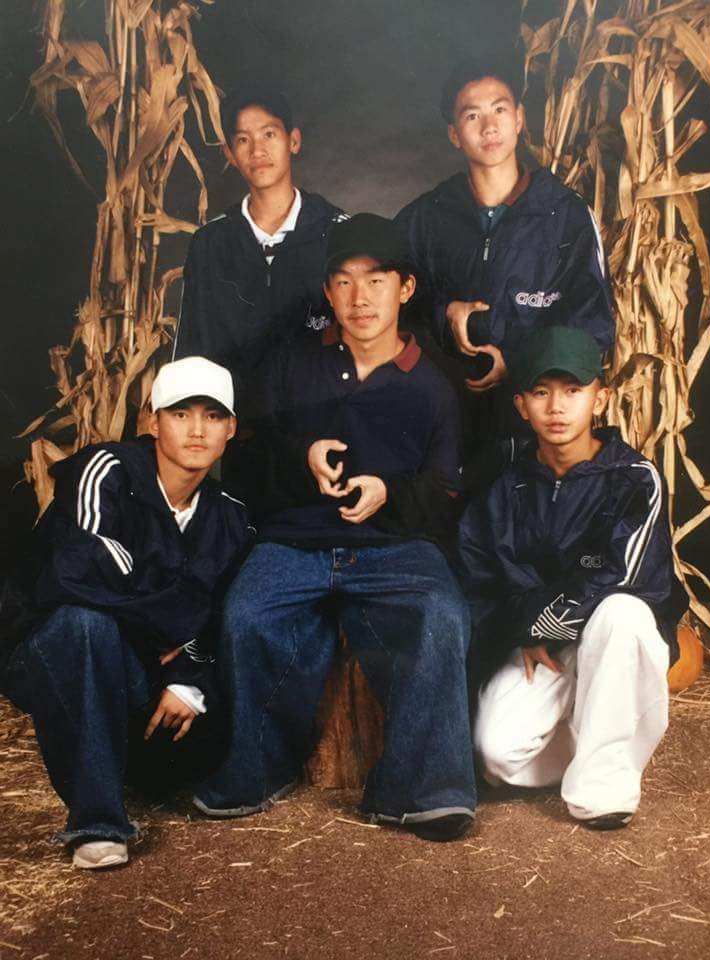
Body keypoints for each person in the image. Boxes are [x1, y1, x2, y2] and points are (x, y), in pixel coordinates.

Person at [193, 213, 477, 842]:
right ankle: (259, 771)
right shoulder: (292, 367)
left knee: (442, 615)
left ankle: (423, 789)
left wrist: (389, 492)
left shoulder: (434, 384)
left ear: (404, 289)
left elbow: (448, 491)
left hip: (396, 548)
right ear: (327, 293)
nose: (360, 298)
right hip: (294, 541)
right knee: (245, 613)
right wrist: (303, 455)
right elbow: (242, 455)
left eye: (376, 280)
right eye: (344, 282)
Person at [0, 357, 254, 869]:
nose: (197, 430)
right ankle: (96, 826)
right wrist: (174, 621)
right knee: (86, 624)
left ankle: (124, 774)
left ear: (231, 428)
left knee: (189, 756)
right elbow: (73, 577)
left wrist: (187, 675)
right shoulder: (109, 471)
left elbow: (217, 616)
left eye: (212, 415)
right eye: (181, 414)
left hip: (145, 668)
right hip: (44, 650)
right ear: (151, 420)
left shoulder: (230, 517)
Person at [458, 326, 687, 829]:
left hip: (610, 639)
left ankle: (603, 788)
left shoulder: (633, 478)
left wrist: (541, 622)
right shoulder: (506, 486)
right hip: (545, 644)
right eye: (541, 392)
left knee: (623, 614)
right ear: (521, 405)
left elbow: (619, 574)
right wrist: (525, 629)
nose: (557, 407)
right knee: (497, 757)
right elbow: (484, 574)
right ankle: (595, 735)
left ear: (599, 398)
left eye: (573, 390)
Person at [395, 53, 614, 457]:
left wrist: (517, 365)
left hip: (536, 435)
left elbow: (592, 324)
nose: (490, 126)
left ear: (518, 119)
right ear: (454, 134)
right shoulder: (426, 216)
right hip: (442, 426)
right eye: (472, 115)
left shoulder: (565, 214)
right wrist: (446, 314)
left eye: (499, 110)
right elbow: (386, 305)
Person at [173, 81, 347, 427]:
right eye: (242, 140)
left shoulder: (337, 231)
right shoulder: (211, 242)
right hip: (239, 433)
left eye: (269, 134)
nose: (257, 150)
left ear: (293, 141)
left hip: (324, 427)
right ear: (229, 154)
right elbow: (192, 348)